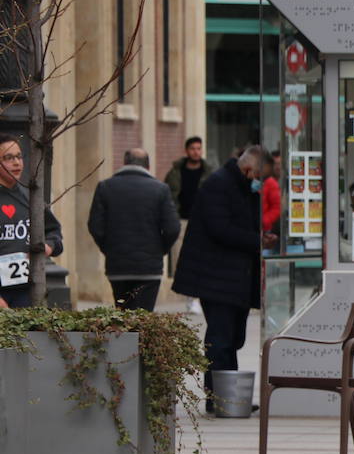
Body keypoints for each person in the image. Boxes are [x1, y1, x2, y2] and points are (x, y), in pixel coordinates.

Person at [173, 146, 269, 414]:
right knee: (221, 338)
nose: (259, 180)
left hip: (232, 277)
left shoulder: (241, 187)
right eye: (259, 174)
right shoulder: (219, 185)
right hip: (215, 276)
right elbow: (220, 229)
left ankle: (227, 395)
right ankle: (220, 399)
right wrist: (257, 241)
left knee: (232, 338)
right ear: (249, 169)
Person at [87, 148, 180, 311]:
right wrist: (160, 250)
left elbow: (95, 226)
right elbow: (173, 228)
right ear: (148, 166)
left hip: (118, 267)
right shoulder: (160, 189)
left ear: (125, 163)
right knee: (143, 318)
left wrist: (109, 249)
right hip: (149, 269)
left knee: (122, 316)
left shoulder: (105, 187)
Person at [0, 135, 62, 309]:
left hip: (27, 290)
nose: (16, 163)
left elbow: (54, 233)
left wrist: (47, 246)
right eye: (8, 158)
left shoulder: (31, 197)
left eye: (19, 156)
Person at [164, 136, 211, 277]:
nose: (196, 152)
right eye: (192, 149)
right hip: (180, 220)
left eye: (198, 148)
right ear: (186, 150)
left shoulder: (209, 173)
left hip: (201, 222)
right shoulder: (174, 172)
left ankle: (196, 294)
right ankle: (178, 292)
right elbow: (166, 195)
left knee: (200, 259)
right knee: (178, 258)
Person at [261, 150, 282, 241]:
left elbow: (276, 208)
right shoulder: (263, 181)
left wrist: (263, 221)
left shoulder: (272, 182)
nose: (277, 167)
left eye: (279, 164)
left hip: (268, 229)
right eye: (275, 164)